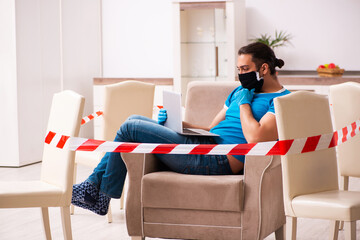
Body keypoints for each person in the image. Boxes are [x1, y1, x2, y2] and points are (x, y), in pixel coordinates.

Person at [71, 42, 291, 215]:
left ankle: (97, 192)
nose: (240, 75)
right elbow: (213, 129)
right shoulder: (237, 92)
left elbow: (255, 138)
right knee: (134, 118)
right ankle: (96, 192)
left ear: (263, 68)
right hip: (206, 145)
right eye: (238, 69)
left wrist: (244, 103)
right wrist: (182, 125)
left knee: (130, 128)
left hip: (218, 161)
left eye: (245, 69)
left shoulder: (280, 100)